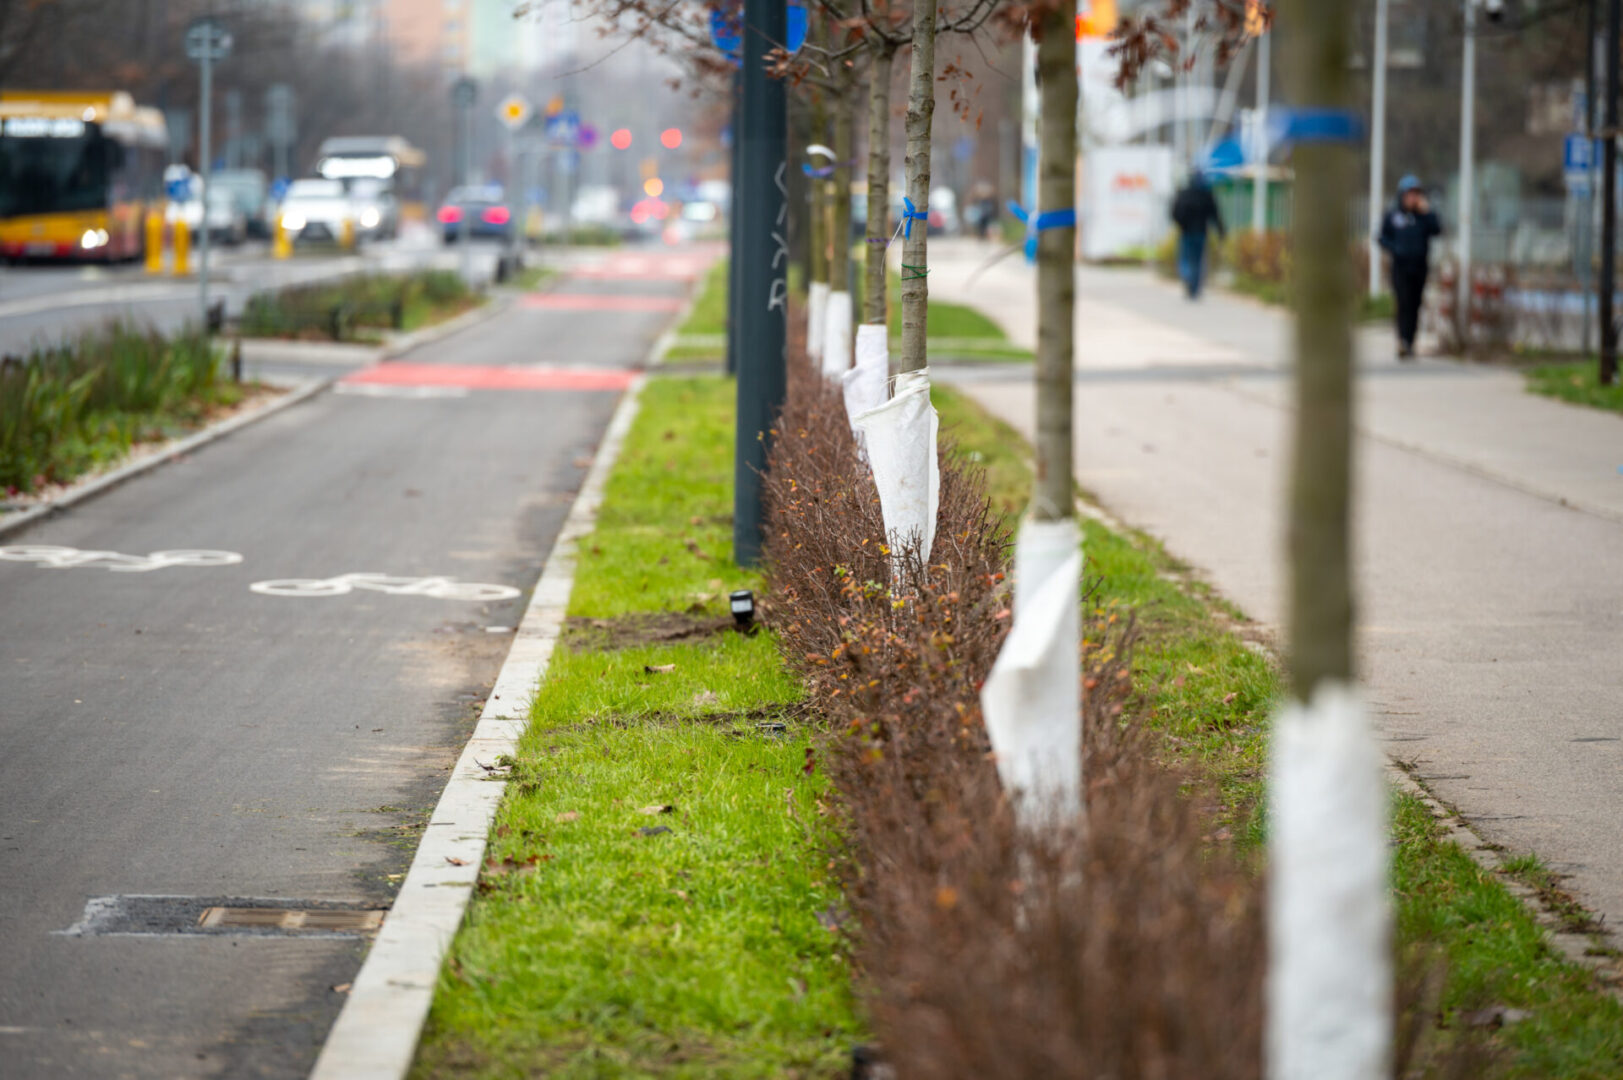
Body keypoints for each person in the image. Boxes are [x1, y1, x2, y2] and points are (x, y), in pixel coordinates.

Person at [1377, 174, 1443, 359]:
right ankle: (1402, 340)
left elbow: (1437, 230)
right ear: (1402, 195)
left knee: (1415, 304)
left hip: (1419, 266)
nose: (1412, 198)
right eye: (1409, 194)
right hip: (1400, 266)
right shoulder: (1393, 215)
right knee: (1403, 302)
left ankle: (1410, 342)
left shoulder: (1424, 216)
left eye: (1416, 194)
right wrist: (1395, 249)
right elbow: (1382, 237)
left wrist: (1427, 212)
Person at [1170, 171, 1225, 299]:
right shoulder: (1206, 194)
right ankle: (1194, 287)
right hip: (1201, 232)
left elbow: (1174, 212)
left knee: (1185, 258)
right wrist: (1221, 230)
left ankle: (1187, 277)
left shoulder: (1184, 194)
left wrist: (1181, 224)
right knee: (1197, 260)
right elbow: (1215, 214)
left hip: (1186, 232)